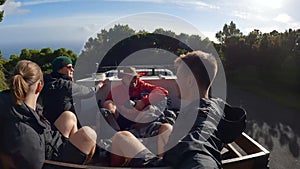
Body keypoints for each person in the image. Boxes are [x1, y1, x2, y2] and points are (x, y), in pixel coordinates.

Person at [108, 51, 246, 168]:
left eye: (178, 77)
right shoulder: (215, 106)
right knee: (166, 127)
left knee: (122, 136)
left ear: (190, 81)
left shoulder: (199, 124)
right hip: (173, 159)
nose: (175, 82)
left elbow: (198, 152)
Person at [0, 60, 97, 169]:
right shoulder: (24, 132)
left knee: (68, 116)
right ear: (39, 86)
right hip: (50, 161)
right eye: (69, 67)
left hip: (46, 142)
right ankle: (81, 163)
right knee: (89, 134)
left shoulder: (11, 105)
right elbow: (35, 162)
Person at [102, 66, 174, 154]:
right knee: (107, 104)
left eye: (135, 77)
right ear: (123, 78)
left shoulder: (142, 86)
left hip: (141, 119)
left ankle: (132, 130)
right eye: (129, 77)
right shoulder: (117, 89)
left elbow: (163, 92)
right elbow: (108, 103)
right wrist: (120, 108)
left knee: (150, 109)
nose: (133, 80)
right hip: (122, 119)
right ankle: (115, 133)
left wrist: (143, 102)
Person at [41, 56, 104, 127]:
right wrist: (99, 85)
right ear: (60, 69)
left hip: (48, 123)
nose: (72, 70)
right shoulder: (66, 85)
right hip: (66, 124)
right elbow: (89, 92)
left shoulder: (46, 82)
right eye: (69, 67)